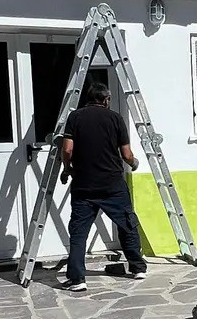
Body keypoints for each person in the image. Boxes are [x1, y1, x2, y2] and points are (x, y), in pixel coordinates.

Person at [60, 84, 146, 289]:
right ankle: (137, 268)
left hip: (84, 185)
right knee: (127, 224)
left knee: (79, 232)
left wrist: (67, 169)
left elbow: (67, 150)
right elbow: (126, 154)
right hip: (112, 184)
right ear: (106, 99)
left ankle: (77, 279)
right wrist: (134, 163)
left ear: (88, 98)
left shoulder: (75, 117)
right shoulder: (116, 118)